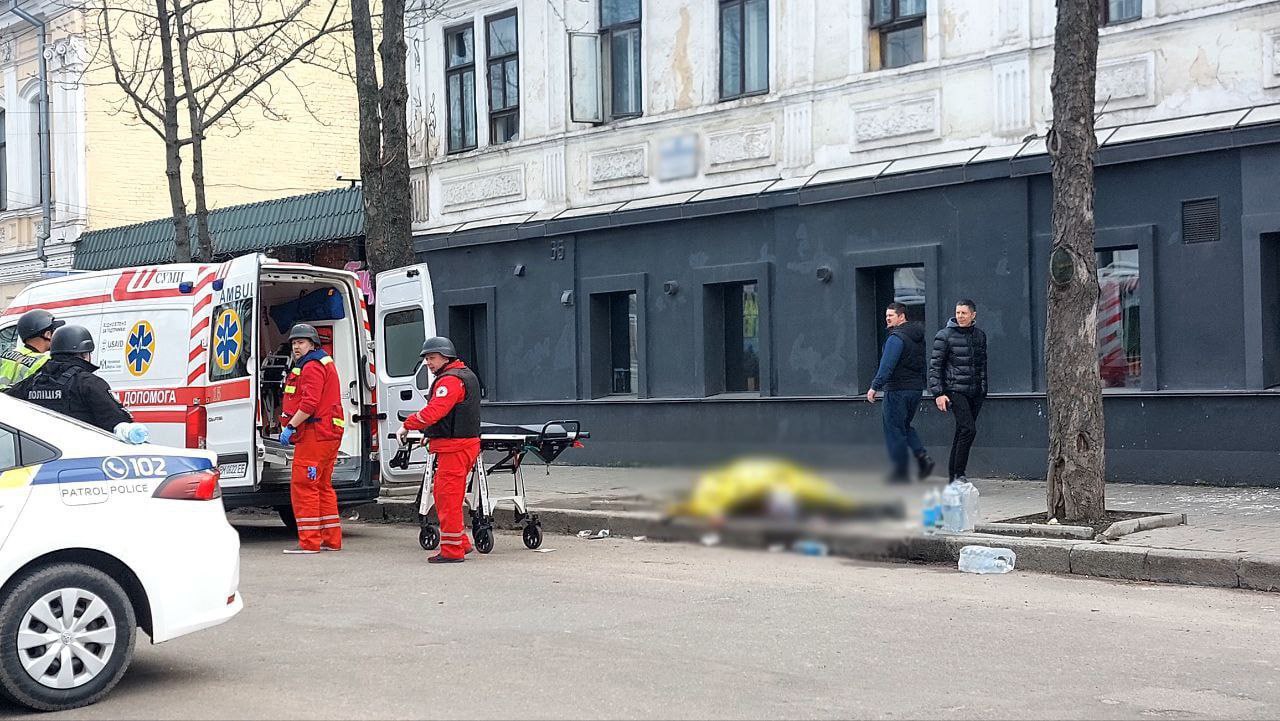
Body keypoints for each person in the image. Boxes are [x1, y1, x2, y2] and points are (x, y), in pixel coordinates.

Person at [398, 336, 481, 564]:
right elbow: (449, 415)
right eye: (426, 358)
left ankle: (452, 551)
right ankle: (460, 542)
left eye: (432, 358)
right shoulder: (462, 375)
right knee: (449, 497)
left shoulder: (450, 381)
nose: (428, 362)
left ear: (446, 357)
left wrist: (408, 424)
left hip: (455, 448)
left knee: (447, 500)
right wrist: (430, 433)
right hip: (460, 445)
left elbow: (435, 411)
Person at [277, 323, 346, 555]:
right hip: (327, 434)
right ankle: (331, 540)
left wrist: (290, 426)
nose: (296, 347)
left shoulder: (311, 367)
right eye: (294, 343)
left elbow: (309, 404)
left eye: (301, 342)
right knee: (322, 486)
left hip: (315, 435)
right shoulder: (322, 362)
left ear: (312, 344)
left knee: (304, 486)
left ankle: (309, 542)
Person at [5, 325, 133, 432]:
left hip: (43, 451)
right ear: (84, 354)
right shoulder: (89, 383)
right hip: (83, 450)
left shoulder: (32, 381)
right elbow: (118, 423)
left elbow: (7, 406)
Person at [865, 302, 934, 483]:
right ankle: (923, 458)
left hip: (897, 390)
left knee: (894, 430)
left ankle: (900, 473)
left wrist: (875, 386)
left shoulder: (896, 338)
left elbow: (887, 365)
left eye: (891, 316)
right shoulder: (917, 336)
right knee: (904, 426)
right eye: (886, 316)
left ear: (901, 316)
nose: (887, 319)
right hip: (915, 389)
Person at [928, 299, 988, 484]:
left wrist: (983, 389)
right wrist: (938, 393)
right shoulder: (944, 335)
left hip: (975, 392)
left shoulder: (979, 335)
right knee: (969, 429)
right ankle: (959, 474)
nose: (960, 316)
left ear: (973, 315)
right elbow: (935, 367)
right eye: (958, 313)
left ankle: (954, 476)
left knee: (962, 431)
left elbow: (982, 364)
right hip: (954, 390)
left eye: (964, 313)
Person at [0, 310, 64, 391]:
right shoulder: (46, 361)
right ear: (47, 334)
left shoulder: (7, 354)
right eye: (54, 331)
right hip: (22, 399)